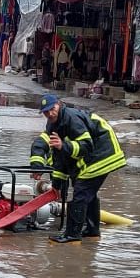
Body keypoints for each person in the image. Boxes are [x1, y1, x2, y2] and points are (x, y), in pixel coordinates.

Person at [30, 95, 125, 244]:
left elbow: (86, 145)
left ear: (59, 105)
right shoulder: (53, 126)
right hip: (94, 156)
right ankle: (92, 231)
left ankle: (72, 234)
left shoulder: (71, 118)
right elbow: (60, 159)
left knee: (81, 192)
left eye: (52, 109)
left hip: (102, 154)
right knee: (89, 194)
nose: (50, 114)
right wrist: (57, 186)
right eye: (46, 112)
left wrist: (64, 146)